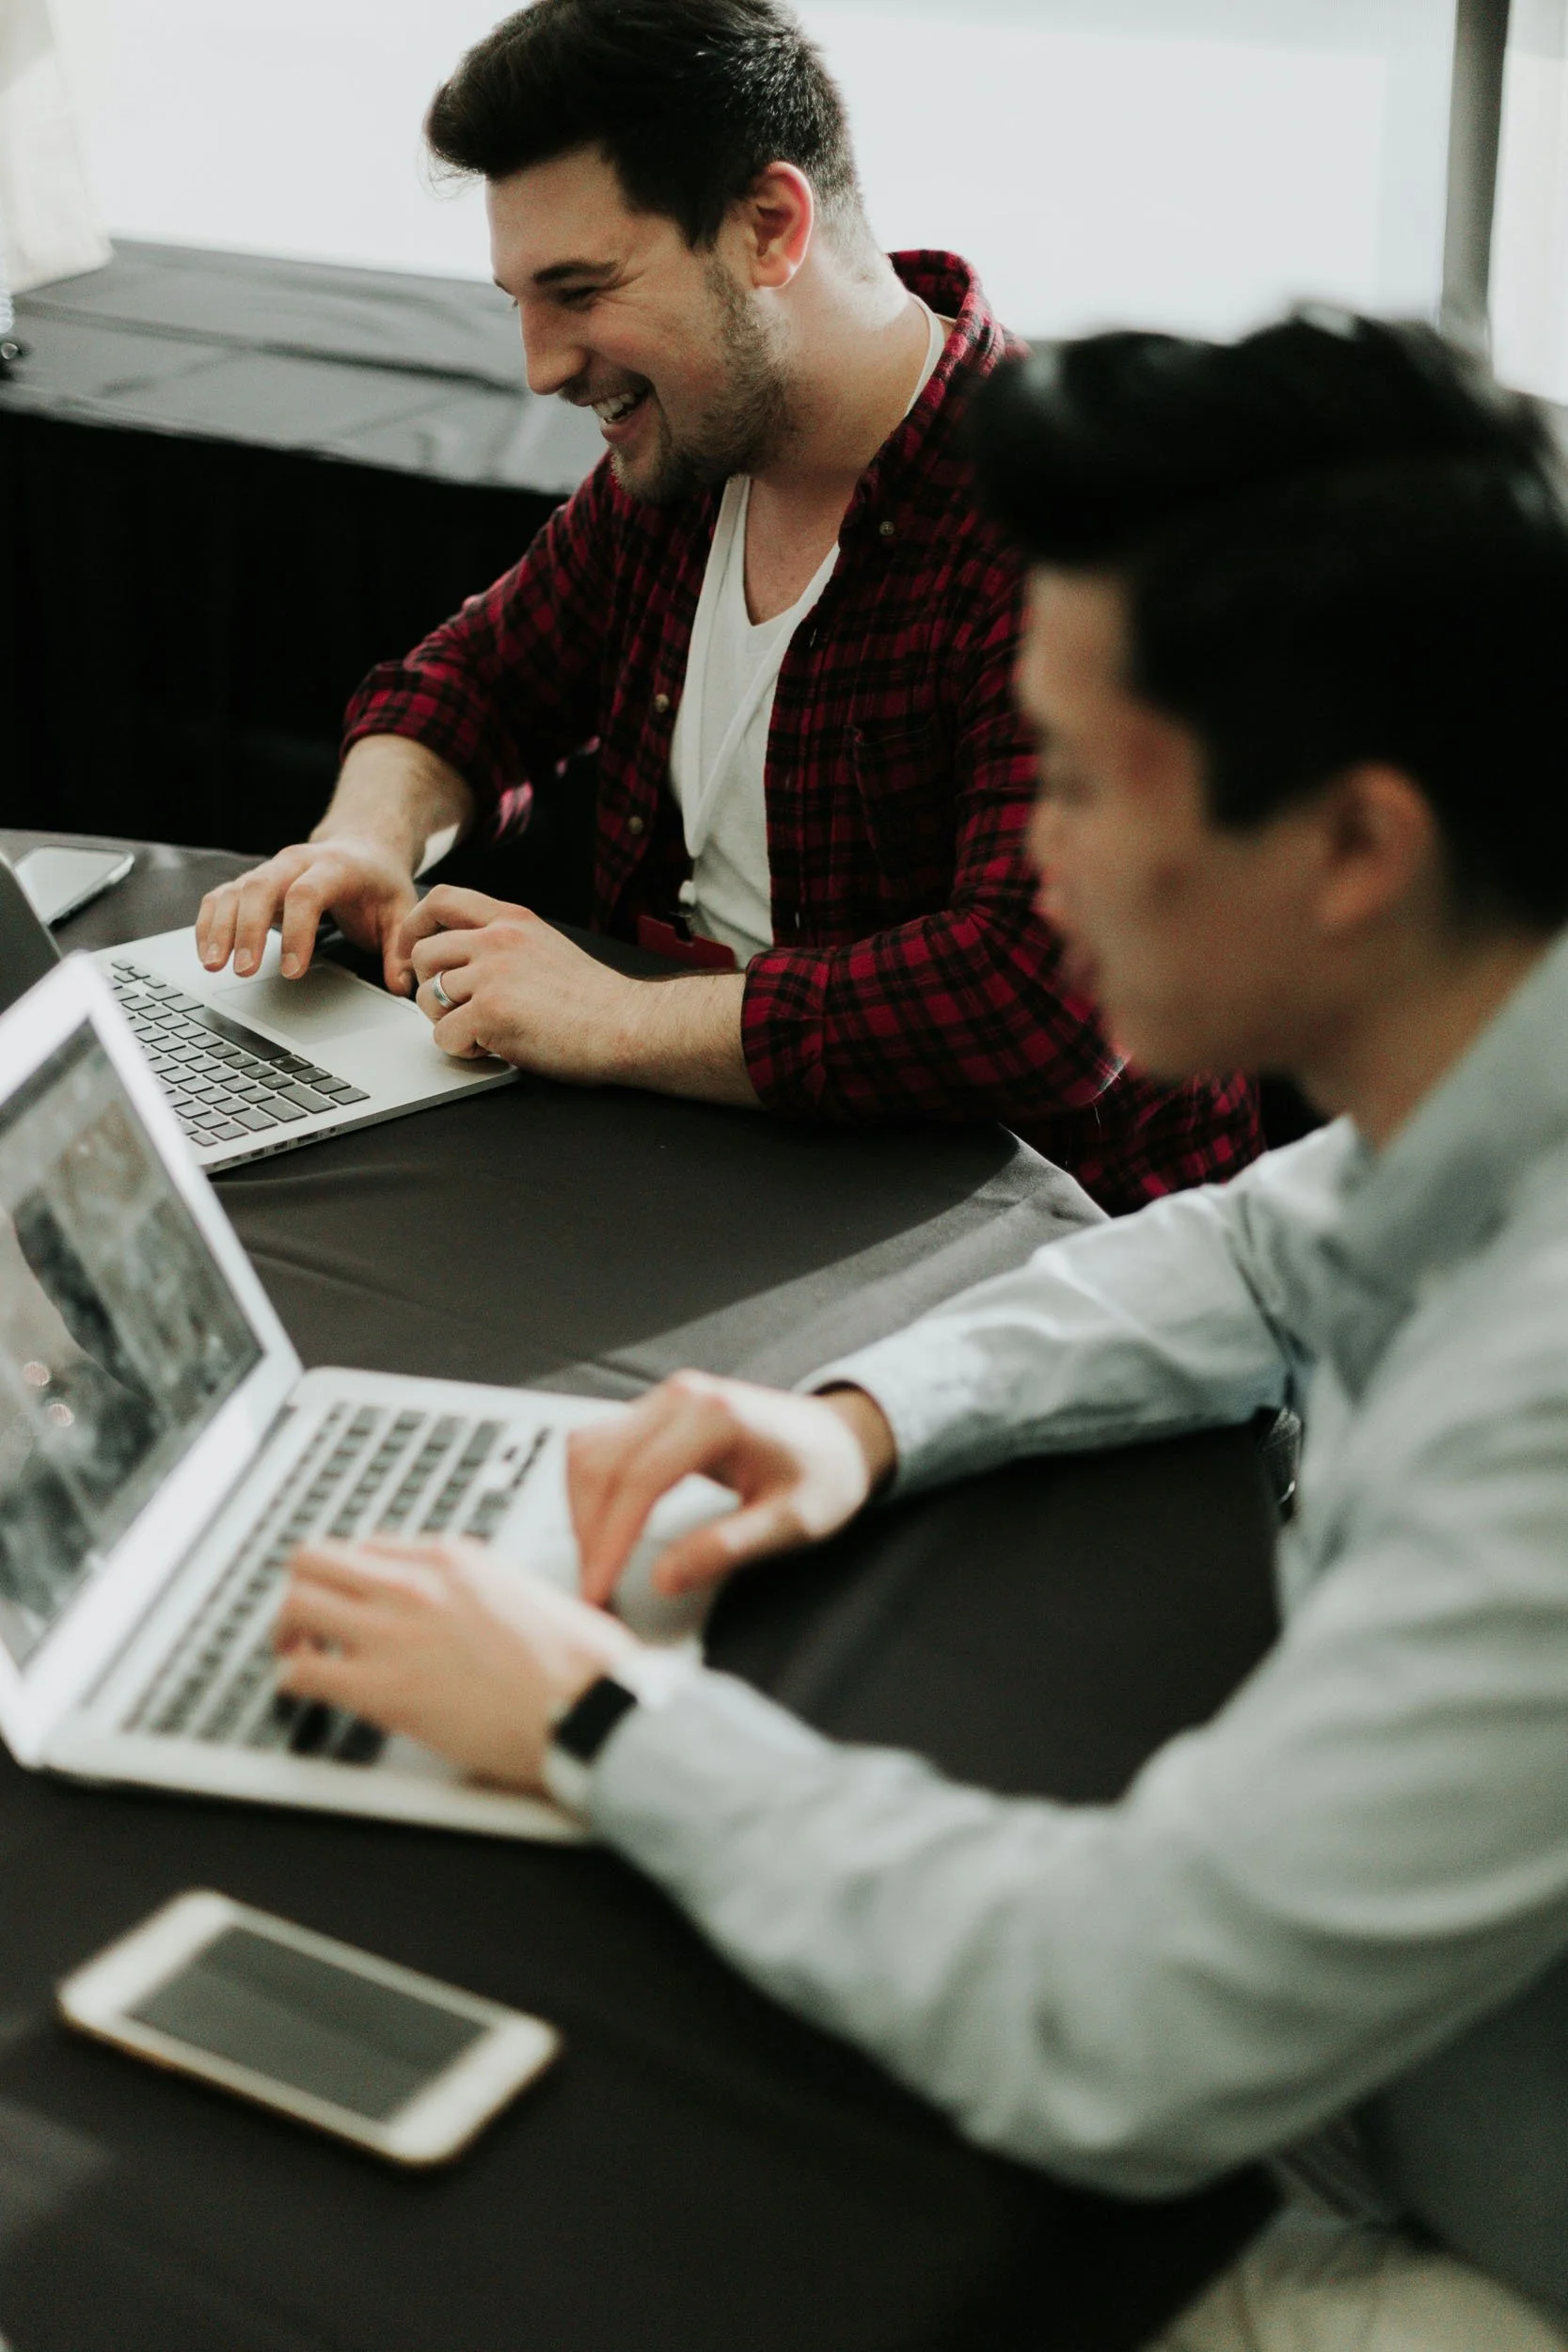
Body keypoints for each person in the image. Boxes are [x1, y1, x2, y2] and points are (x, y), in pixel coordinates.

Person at [274, 311, 1568, 2347]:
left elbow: (1116, 2015)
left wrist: (603, 1715)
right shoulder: (1497, 1062)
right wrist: (866, 1408)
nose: (1023, 860)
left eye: (1066, 774)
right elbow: (1251, 1249)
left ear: (1351, 846)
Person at [192, 0, 1258, 1216]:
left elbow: (1039, 1000)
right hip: (713, 1165)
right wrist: (365, 839)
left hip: (1026, 1245)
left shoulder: (1076, 525)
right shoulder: (689, 459)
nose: (540, 365)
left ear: (767, 228)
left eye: (580, 290)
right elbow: (474, 682)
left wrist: (620, 1019)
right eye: (520, 302)